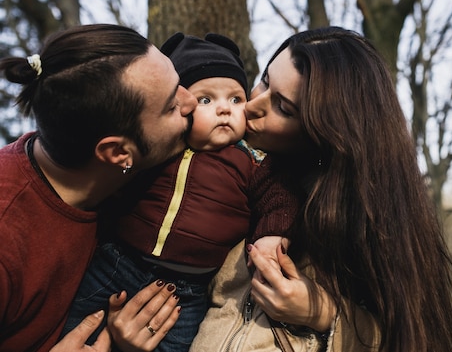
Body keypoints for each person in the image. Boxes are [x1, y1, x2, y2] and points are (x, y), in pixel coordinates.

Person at [191, 27, 452, 352]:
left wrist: (324, 312)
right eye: (265, 80)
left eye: (284, 108)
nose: (253, 105)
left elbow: (414, 339)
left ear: (326, 131)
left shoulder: (365, 224)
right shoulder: (215, 167)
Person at [62, 32, 302, 352]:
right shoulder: (163, 148)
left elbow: (279, 199)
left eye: (235, 99)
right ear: (182, 105)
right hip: (120, 262)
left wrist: (272, 235)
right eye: (206, 100)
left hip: (187, 290)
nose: (224, 110)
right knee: (78, 327)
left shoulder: (250, 162)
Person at [0, 24, 198, 352]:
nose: (191, 102)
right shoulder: (8, 236)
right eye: (171, 106)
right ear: (118, 153)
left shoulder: (124, 179)